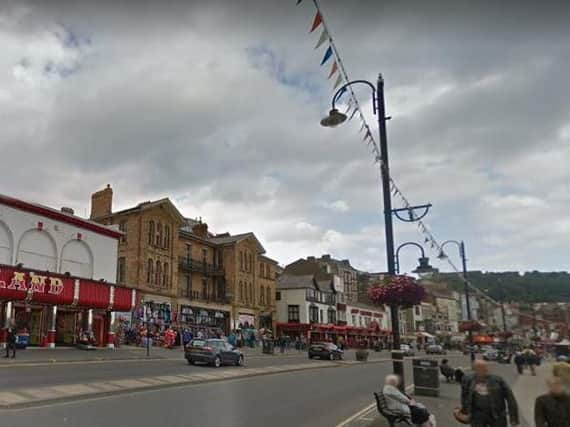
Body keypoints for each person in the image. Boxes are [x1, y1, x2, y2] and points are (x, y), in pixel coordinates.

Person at [461, 360, 519, 427]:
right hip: (477, 414)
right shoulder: (467, 380)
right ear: (474, 370)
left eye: (485, 368)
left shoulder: (498, 380)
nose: (485, 370)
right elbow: (464, 396)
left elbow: (510, 398)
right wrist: (465, 412)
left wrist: (513, 418)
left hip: (497, 414)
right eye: (480, 368)